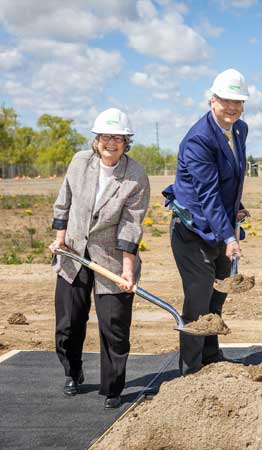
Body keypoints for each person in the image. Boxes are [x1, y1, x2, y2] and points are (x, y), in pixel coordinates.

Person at [50, 108, 150, 409]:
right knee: (68, 323)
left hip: (112, 259)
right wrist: (59, 240)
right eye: (106, 136)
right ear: (96, 139)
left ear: (126, 142)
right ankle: (73, 371)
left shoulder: (135, 176)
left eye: (119, 138)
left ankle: (112, 388)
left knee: (114, 328)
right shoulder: (80, 162)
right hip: (73, 252)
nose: (112, 142)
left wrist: (128, 270)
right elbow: (63, 202)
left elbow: (131, 225)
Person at [162, 68, 250, 375]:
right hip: (192, 232)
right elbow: (208, 194)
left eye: (238, 102)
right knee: (198, 298)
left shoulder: (240, 129)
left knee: (218, 296)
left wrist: (236, 209)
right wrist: (229, 237)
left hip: (220, 227)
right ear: (212, 100)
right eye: (226, 100)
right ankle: (191, 369)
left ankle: (211, 358)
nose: (233, 108)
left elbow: (232, 179)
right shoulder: (199, 139)